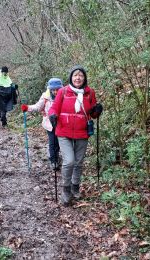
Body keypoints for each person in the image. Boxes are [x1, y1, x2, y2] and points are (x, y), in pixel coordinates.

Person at [48, 65, 103, 206]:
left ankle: (75, 187)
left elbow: (93, 114)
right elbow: (54, 108)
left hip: (82, 131)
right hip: (63, 131)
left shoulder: (90, 93)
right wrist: (53, 115)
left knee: (78, 162)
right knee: (69, 161)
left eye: (81, 75)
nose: (78, 78)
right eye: (75, 75)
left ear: (84, 78)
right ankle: (66, 190)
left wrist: (97, 110)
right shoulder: (63, 91)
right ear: (71, 77)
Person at [21, 78, 63, 170]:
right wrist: (27, 108)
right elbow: (38, 107)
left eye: (57, 89)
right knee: (52, 142)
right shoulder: (45, 97)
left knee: (59, 143)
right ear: (50, 89)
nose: (55, 92)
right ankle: (53, 161)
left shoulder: (64, 96)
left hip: (62, 124)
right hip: (49, 124)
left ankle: (56, 156)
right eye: (53, 89)